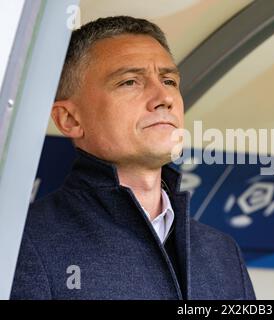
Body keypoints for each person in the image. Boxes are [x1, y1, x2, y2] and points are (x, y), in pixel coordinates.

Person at [10, 16, 255, 300]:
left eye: (169, 80)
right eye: (129, 82)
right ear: (69, 119)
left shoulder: (222, 253)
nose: (164, 97)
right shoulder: (22, 242)